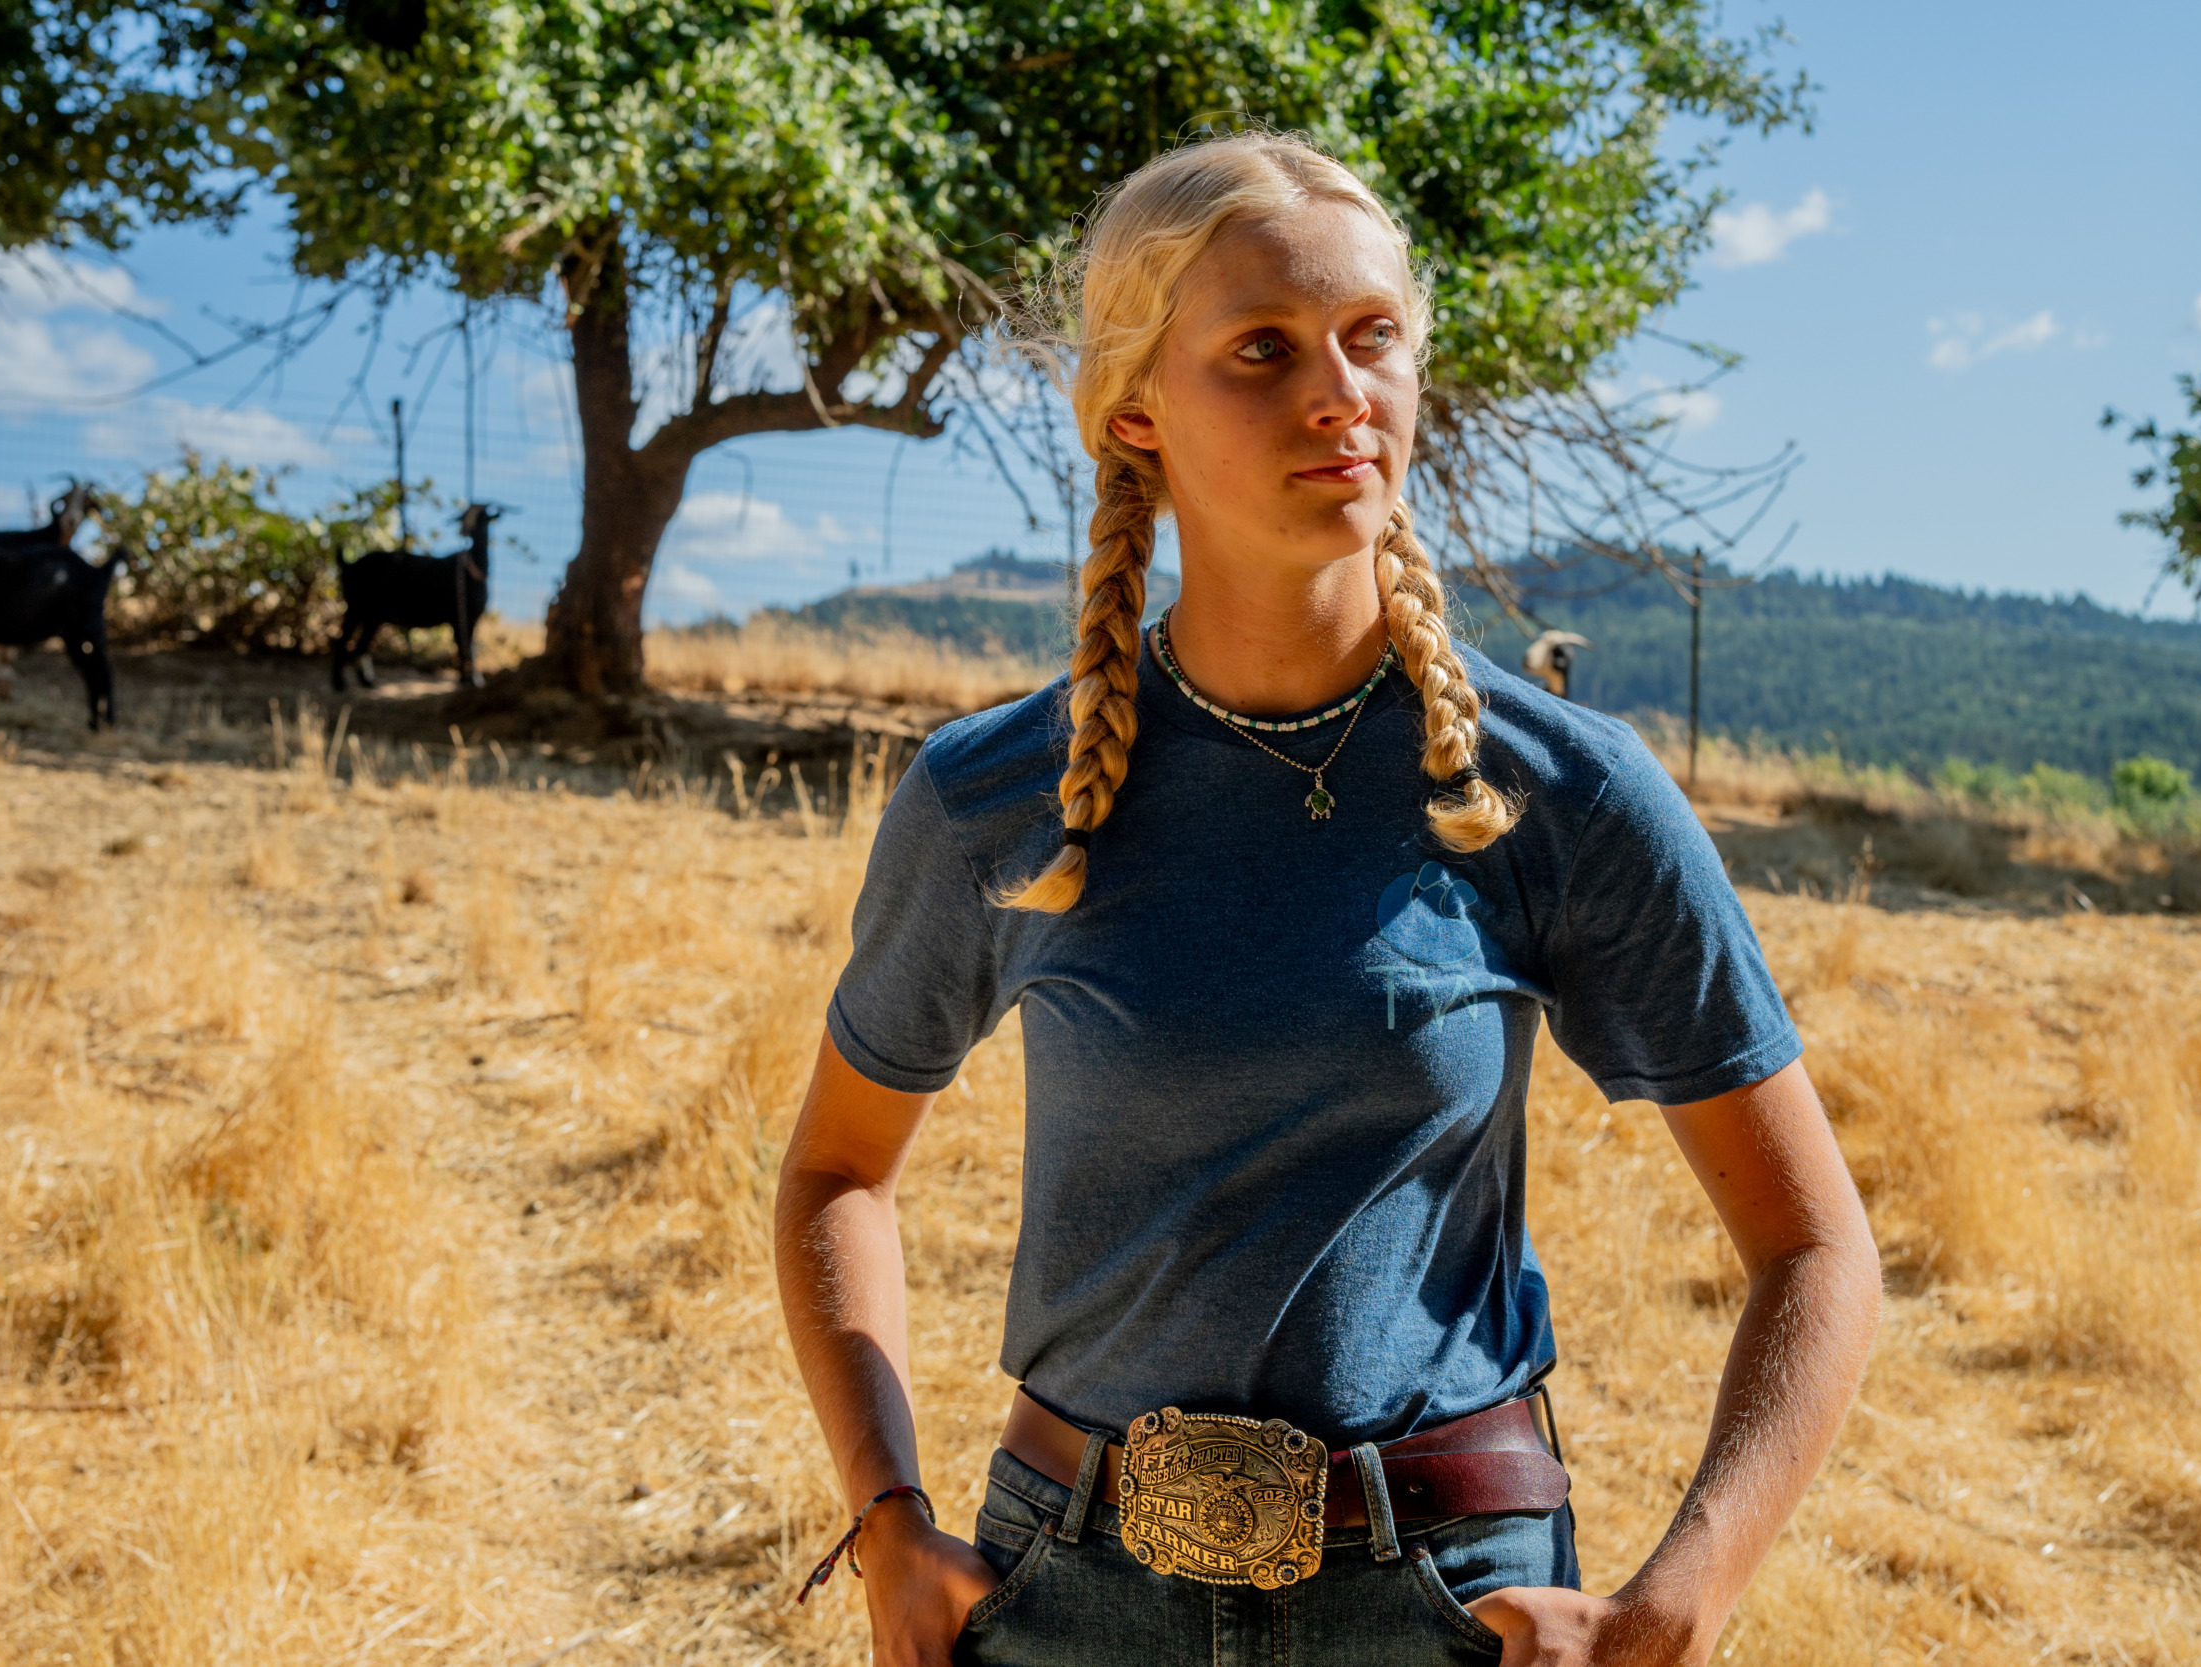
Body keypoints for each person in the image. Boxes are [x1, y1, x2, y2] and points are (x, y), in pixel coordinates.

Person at [774, 131, 1880, 1667]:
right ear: (1139, 411)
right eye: (1264, 349)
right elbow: (836, 1172)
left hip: (1440, 1602)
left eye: (1374, 340)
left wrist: (1686, 1594)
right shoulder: (996, 798)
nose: (1339, 394)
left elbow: (1817, 1248)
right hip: (1073, 1604)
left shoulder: (1557, 790)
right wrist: (885, 1517)